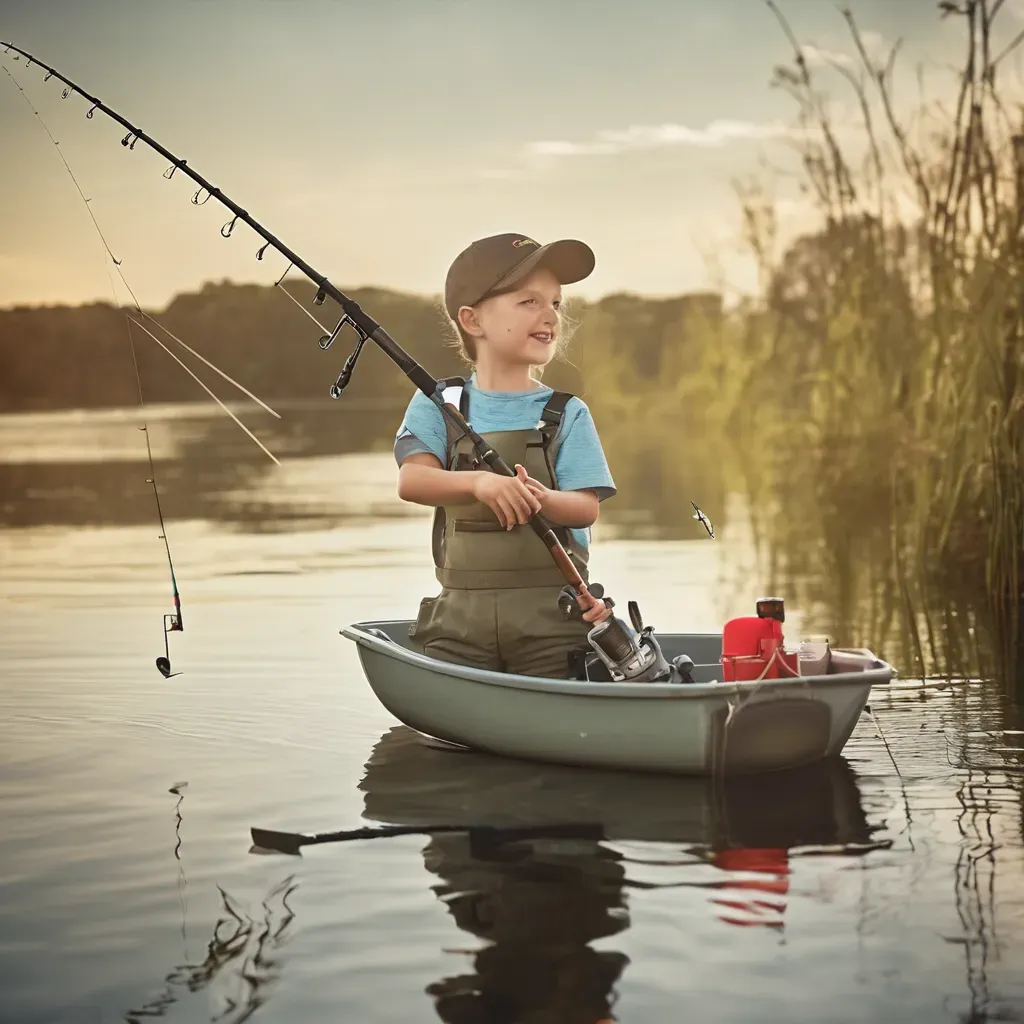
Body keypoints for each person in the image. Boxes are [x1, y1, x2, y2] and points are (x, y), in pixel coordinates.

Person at [394, 232, 617, 678]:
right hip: (458, 624)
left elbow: (585, 508)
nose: (550, 315)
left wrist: (544, 499)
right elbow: (413, 482)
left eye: (556, 303)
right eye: (528, 302)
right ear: (473, 320)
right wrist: (480, 482)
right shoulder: (440, 403)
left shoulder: (567, 412)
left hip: (553, 623)